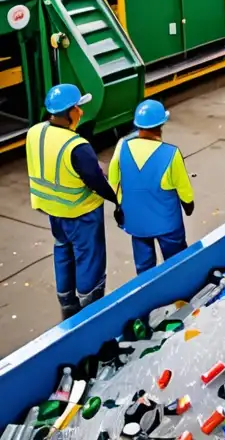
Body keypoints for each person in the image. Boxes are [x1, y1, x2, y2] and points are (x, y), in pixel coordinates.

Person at [27, 84, 118, 319]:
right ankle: (90, 308)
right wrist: (117, 201)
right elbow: (96, 181)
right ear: (70, 112)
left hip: (53, 211)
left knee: (63, 251)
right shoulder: (76, 146)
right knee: (89, 258)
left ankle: (67, 303)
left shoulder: (35, 132)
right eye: (78, 108)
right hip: (81, 213)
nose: (81, 112)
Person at [109, 100, 194, 275]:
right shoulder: (171, 153)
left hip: (136, 221)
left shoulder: (122, 147)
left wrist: (121, 204)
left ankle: (148, 295)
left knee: (144, 267)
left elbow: (113, 180)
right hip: (167, 223)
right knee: (177, 263)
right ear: (161, 125)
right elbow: (183, 186)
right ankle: (179, 292)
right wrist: (188, 204)